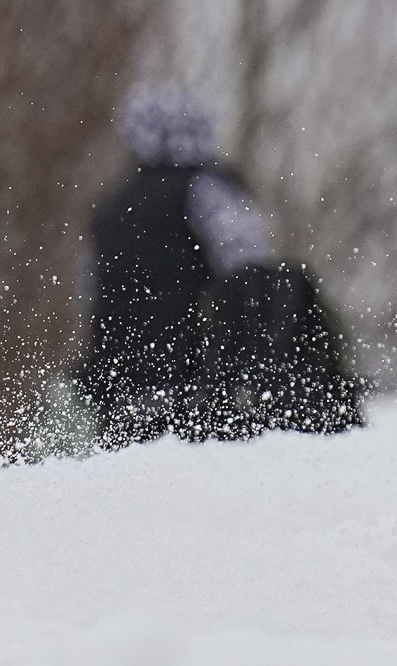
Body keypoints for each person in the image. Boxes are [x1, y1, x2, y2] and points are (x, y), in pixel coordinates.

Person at [76, 84, 362, 446]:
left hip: (121, 395)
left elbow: (89, 297)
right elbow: (253, 272)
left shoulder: (107, 209)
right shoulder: (206, 190)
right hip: (199, 390)